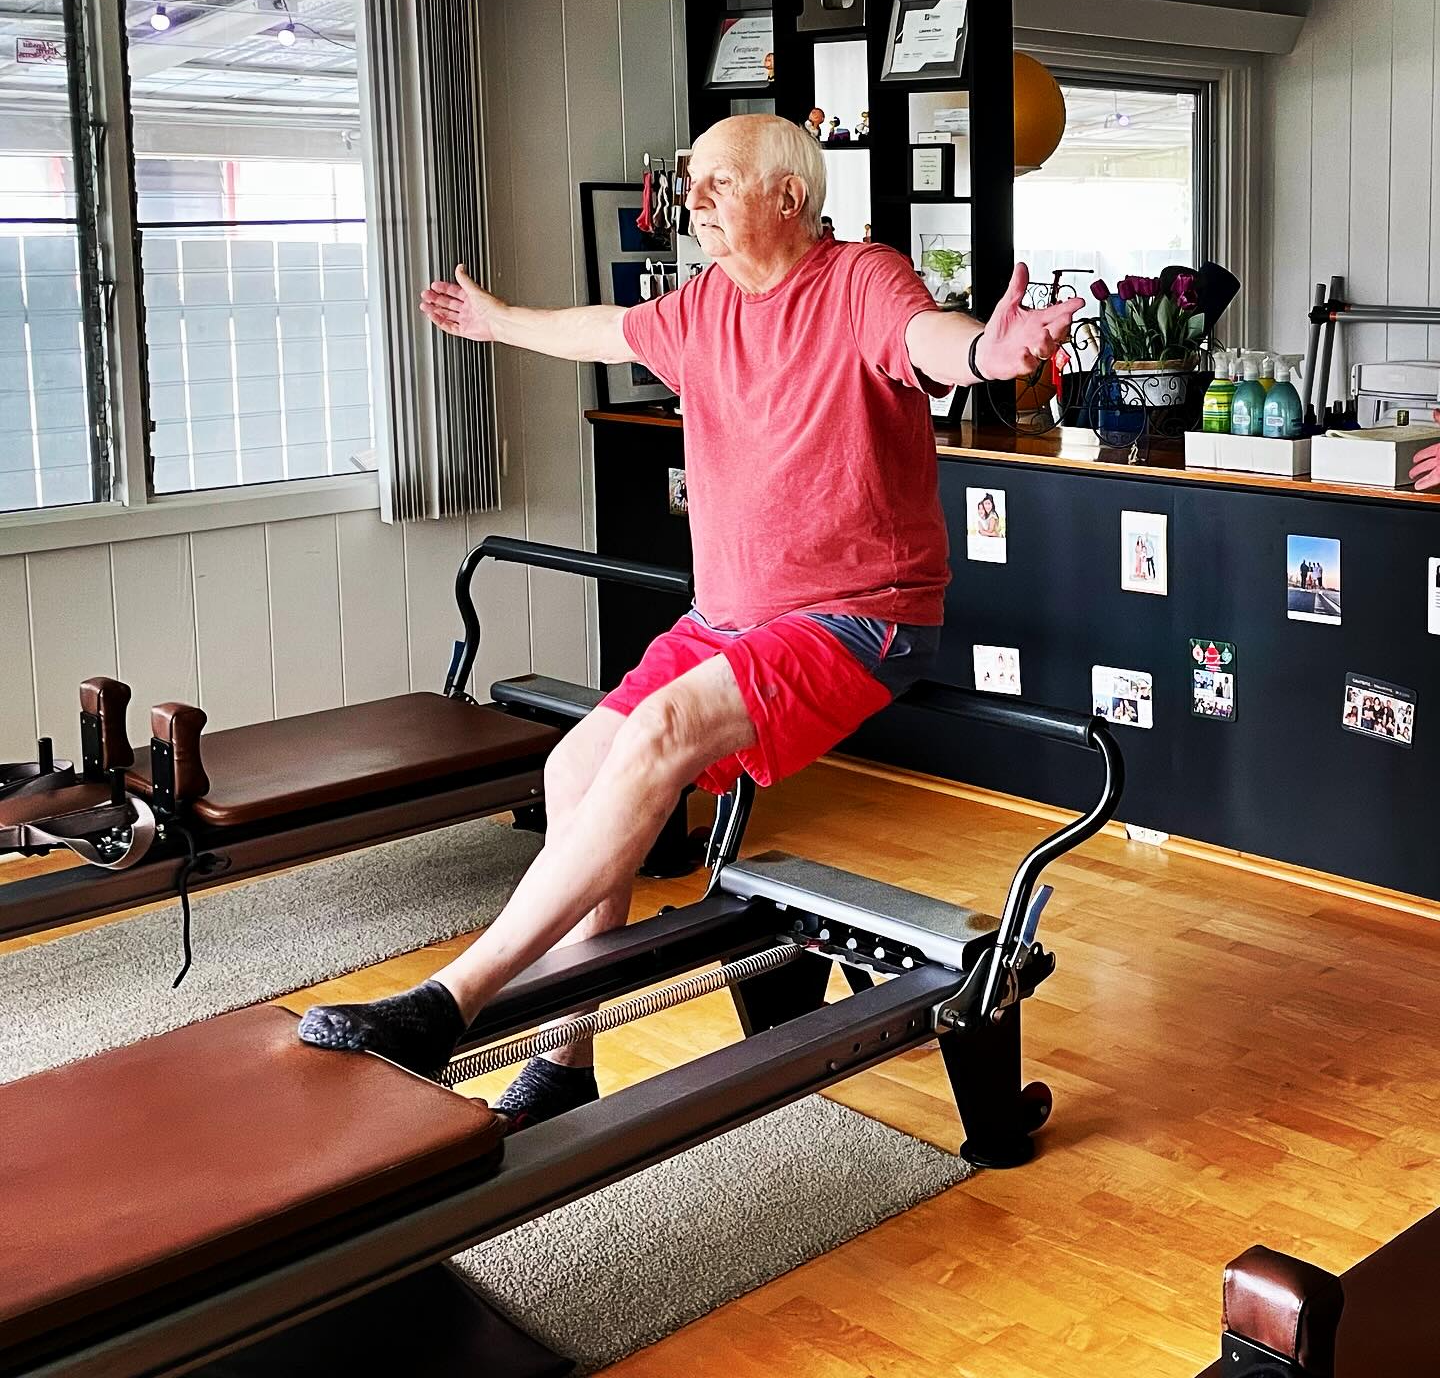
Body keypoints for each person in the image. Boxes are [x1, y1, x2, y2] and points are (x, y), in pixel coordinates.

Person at [296, 113, 1082, 1127]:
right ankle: (564, 1060)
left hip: (856, 617)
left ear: (790, 199)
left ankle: (447, 1003)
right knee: (573, 770)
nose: (694, 199)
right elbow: (599, 329)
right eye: (691, 183)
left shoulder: (859, 279)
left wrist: (988, 348)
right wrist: (498, 322)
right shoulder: (704, 305)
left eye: (718, 181)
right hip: (727, 622)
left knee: (659, 740)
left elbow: (926, 339)